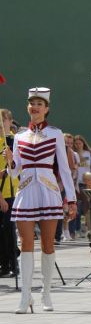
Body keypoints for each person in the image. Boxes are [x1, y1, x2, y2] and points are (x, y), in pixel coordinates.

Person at [5, 88, 77, 313]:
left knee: (47, 244)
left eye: (39, 103)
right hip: (26, 191)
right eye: (31, 103)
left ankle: (46, 292)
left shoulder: (55, 133)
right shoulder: (19, 136)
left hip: (48, 191)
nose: (34, 107)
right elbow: (15, 173)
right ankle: (25, 295)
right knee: (25, 243)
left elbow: (64, 169)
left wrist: (71, 199)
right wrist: (10, 162)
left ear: (46, 109)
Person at [0, 108, 19, 279]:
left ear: (9, 121)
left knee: (9, 229)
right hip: (1, 191)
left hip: (13, 190)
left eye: (3, 120)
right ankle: (4, 264)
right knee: (2, 230)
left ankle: (13, 264)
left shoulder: (15, 140)